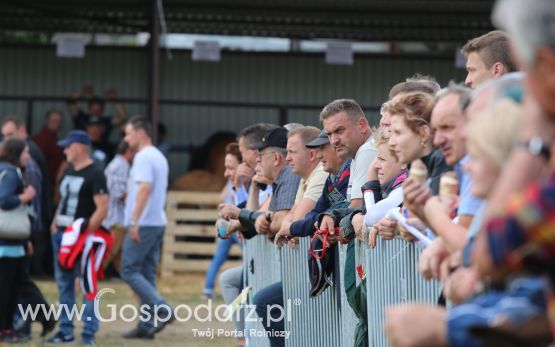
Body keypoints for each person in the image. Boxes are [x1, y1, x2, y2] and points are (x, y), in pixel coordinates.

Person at [47, 130, 108, 345]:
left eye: (68, 147)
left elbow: (102, 209)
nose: (65, 151)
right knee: (64, 284)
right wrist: (55, 223)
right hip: (62, 234)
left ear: (79, 148)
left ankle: (89, 332)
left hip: (80, 236)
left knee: (87, 283)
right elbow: (62, 199)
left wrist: (85, 234)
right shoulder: (68, 170)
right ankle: (66, 331)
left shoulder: (96, 173)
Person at [121, 117, 172, 339]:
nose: (125, 138)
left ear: (141, 133)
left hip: (144, 223)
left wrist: (134, 221)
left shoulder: (143, 157)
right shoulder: (159, 156)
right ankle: (146, 324)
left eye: (128, 133)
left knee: (129, 270)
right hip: (157, 220)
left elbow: (144, 189)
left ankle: (161, 307)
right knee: (146, 272)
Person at [0, 138, 36, 343]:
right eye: (25, 153)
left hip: (9, 243)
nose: (28, 157)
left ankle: (6, 328)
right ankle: (5, 329)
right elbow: (4, 201)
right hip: (8, 243)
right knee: (8, 291)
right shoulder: (12, 173)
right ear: (16, 153)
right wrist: (25, 197)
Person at [203, 143, 243, 299]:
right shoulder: (237, 181)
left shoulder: (229, 181)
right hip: (237, 224)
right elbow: (233, 197)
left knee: (218, 257)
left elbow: (221, 197)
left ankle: (207, 288)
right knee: (248, 255)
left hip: (225, 224)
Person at [103, 140, 135, 273]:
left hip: (113, 216)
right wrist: (135, 195)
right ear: (128, 151)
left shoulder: (115, 164)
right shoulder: (121, 165)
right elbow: (119, 193)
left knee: (117, 252)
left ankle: (128, 278)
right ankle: (91, 276)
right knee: (111, 251)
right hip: (116, 218)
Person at [32, 110, 65, 193]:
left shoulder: (55, 138)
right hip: (45, 183)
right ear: (47, 121)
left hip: (54, 182)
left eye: (59, 121)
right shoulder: (41, 139)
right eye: (54, 121)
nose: (57, 124)